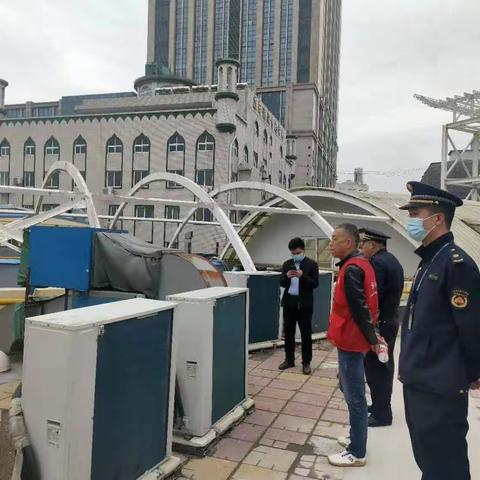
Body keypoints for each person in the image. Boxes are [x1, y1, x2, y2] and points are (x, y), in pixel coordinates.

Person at [399, 181, 480, 480]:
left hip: (440, 385)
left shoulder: (456, 264)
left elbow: (471, 327)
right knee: (430, 461)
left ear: (437, 219)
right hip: (420, 379)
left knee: (446, 464)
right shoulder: (430, 259)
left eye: (414, 213)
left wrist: (473, 373)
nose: (410, 220)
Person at [326, 223, 384, 467]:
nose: (330, 243)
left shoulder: (351, 269)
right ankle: (355, 434)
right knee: (347, 386)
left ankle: (357, 452)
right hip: (354, 339)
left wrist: (374, 341)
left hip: (351, 340)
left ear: (348, 243)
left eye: (334, 238)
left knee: (355, 397)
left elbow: (360, 309)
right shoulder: (363, 264)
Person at [359, 228, 404, 427]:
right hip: (390, 321)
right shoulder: (392, 259)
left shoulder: (377, 263)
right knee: (383, 366)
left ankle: (382, 414)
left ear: (372, 244)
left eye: (363, 244)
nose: (361, 248)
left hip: (381, 325)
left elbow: (375, 297)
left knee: (377, 368)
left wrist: (371, 328)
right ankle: (379, 405)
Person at [279, 237, 319, 375]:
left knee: (305, 334)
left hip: (305, 304)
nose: (295, 255)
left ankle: (306, 363)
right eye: (292, 253)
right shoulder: (287, 264)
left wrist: (302, 276)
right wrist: (287, 277)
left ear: (303, 250)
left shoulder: (312, 264)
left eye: (297, 252)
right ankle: (289, 360)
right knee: (288, 332)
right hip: (290, 302)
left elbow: (315, 284)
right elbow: (282, 283)